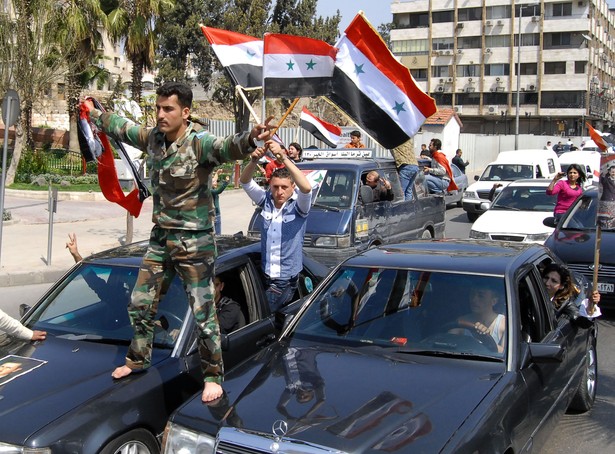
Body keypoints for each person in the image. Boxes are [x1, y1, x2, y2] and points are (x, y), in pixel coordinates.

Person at [84, 81, 275, 403]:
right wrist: (95, 115)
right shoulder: (155, 140)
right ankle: (137, 359)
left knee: (203, 312)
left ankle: (213, 376)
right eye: (158, 108)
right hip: (161, 238)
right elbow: (125, 129)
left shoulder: (200, 144)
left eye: (168, 109)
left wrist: (252, 138)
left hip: (194, 243)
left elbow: (229, 146)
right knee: (140, 303)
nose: (161, 114)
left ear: (185, 112)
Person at [240, 140, 312, 312]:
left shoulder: (298, 207)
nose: (279, 192)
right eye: (275, 187)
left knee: (261, 317)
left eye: (284, 187)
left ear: (292, 187)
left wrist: (283, 157)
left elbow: (307, 188)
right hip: (266, 275)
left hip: (284, 279)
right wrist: (253, 161)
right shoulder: (266, 200)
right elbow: (245, 182)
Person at [452, 283, 506, 353]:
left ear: (494, 301)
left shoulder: (504, 324)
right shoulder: (461, 322)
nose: (474, 300)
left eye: (481, 296)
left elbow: (507, 354)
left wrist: (486, 341)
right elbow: (448, 344)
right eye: (472, 294)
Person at [211, 169, 229, 235]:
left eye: (216, 182)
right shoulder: (210, 191)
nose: (216, 183)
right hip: (213, 215)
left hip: (217, 214)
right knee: (215, 234)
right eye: (214, 182)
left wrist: (217, 173)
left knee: (218, 233)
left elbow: (214, 179)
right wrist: (226, 182)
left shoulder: (212, 188)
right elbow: (219, 191)